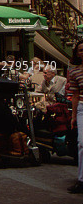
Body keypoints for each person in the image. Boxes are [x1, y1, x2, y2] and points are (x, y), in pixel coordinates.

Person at [68, 40, 83, 194]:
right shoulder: (75, 72)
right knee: (81, 143)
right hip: (82, 108)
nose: (82, 52)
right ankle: (81, 180)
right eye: (80, 50)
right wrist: (73, 116)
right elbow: (75, 95)